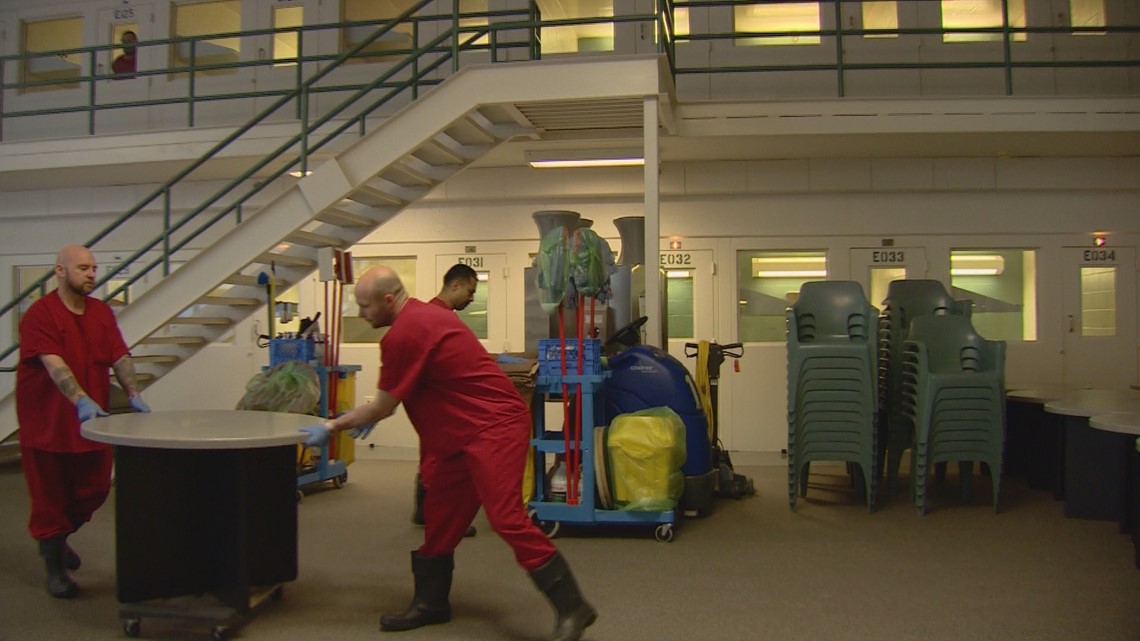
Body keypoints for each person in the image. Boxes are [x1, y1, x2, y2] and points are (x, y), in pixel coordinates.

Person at [300, 266, 596, 641]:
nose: (361, 314)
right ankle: (431, 604)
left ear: (388, 300)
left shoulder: (405, 332)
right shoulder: (426, 315)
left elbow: (383, 406)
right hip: (458, 436)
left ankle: (573, 607)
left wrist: (330, 427)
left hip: (493, 428)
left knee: (506, 518)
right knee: (441, 517)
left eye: (364, 306)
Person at [16, 244, 151, 599]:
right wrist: (80, 400)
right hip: (47, 424)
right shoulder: (39, 314)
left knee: (94, 488)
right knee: (49, 498)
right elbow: (53, 362)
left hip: (92, 426)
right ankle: (54, 566)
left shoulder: (101, 313)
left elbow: (119, 354)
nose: (91, 273)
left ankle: (60, 538)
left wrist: (133, 392)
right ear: (60, 271)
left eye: (93, 267)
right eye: (82, 268)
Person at [412, 263, 480, 535]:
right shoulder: (437, 317)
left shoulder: (434, 314)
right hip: (437, 399)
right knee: (442, 459)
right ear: (455, 285)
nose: (472, 298)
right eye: (470, 291)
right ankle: (442, 518)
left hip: (435, 397)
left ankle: (423, 510)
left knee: (432, 455)